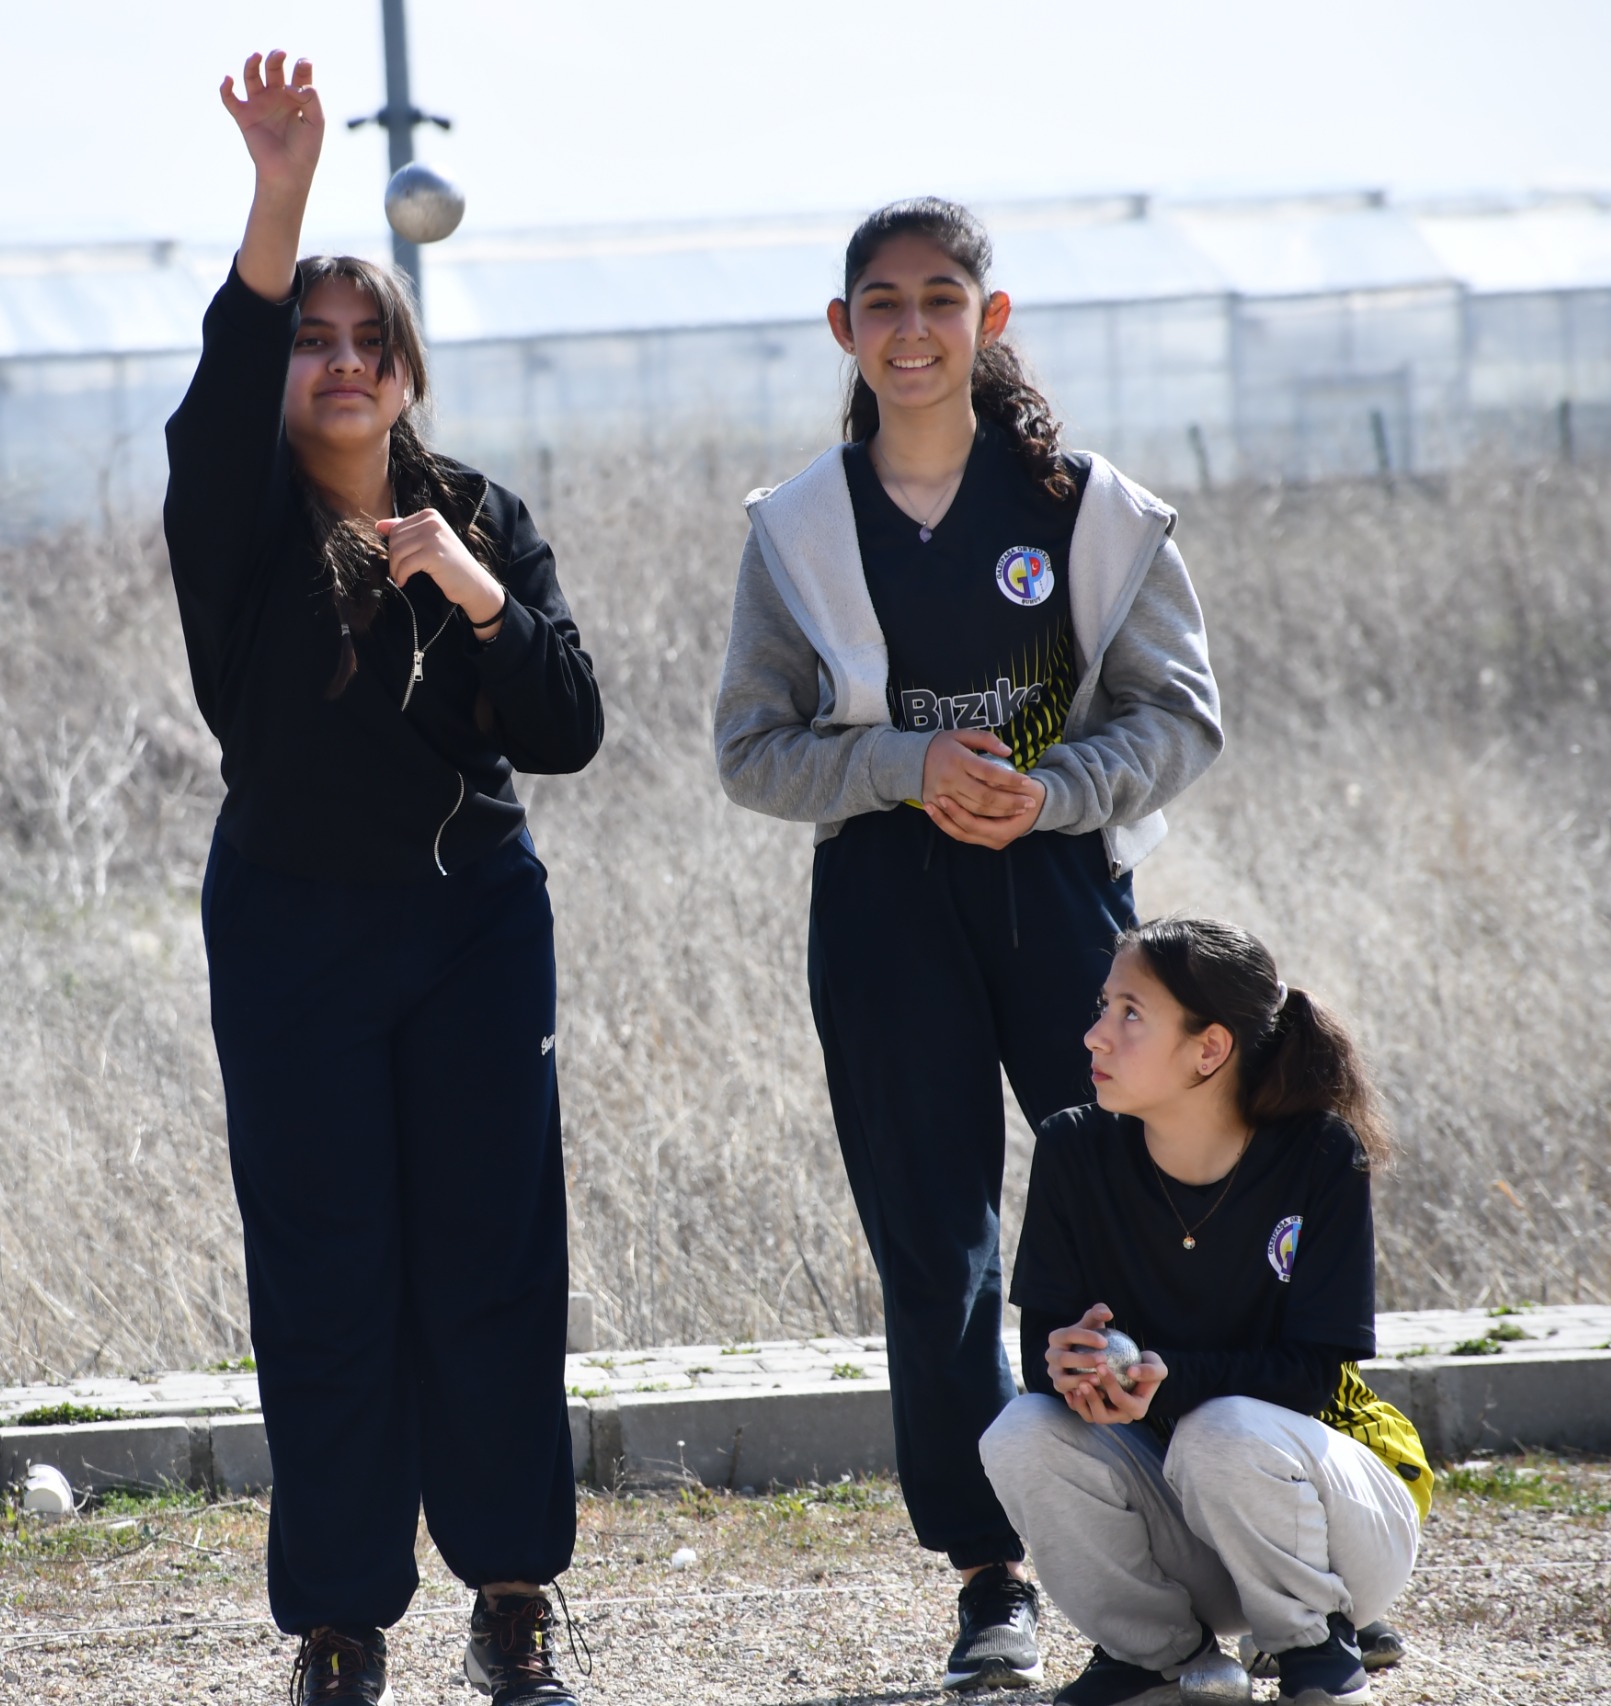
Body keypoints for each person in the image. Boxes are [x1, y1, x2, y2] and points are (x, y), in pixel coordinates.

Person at [713, 197, 1224, 1689]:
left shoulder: (1088, 508)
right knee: (934, 1247)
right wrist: (897, 766)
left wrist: (1055, 789)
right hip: (882, 908)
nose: (915, 327)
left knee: (1120, 1219)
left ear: (990, 322)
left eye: (945, 298)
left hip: (1060, 892)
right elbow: (752, 750)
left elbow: (1181, 713)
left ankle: (1189, 1536)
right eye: (884, 302)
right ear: (845, 332)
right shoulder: (799, 525)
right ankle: (988, 1573)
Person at [164, 51, 603, 1706]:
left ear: (410, 374)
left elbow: (566, 727)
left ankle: (511, 1596)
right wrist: (280, 199)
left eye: (372, 342)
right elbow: (214, 409)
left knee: (492, 1257)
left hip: (475, 922)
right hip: (291, 928)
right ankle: (340, 1621)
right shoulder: (238, 525)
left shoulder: (479, 514)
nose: (342, 365)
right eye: (314, 342)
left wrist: (484, 598)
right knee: (330, 1265)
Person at [982, 918, 1429, 1706]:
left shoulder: (1320, 1153)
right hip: (1184, 1542)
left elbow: (1310, 1377)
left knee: (1218, 1428)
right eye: (1102, 1005)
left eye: (1129, 1014)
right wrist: (1071, 1366)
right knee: (1020, 1433)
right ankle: (1159, 1655)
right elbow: (1042, 1354)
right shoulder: (1072, 1150)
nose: (1094, 1035)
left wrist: (1169, 1382)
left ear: (1209, 1049)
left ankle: (1311, 1641)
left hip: (1330, 1533)